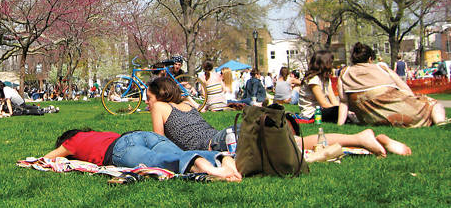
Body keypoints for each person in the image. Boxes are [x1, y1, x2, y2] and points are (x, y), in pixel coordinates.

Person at [146, 76, 411, 157]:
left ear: (158, 95)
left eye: (147, 97)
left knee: (295, 149)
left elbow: (160, 144)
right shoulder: (186, 105)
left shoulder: (160, 108)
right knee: (299, 145)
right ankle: (362, 140)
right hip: (228, 134)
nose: (147, 104)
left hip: (219, 145)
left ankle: (361, 141)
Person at [40, 128, 241, 181]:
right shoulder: (96, 134)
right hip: (141, 135)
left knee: (159, 162)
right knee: (177, 153)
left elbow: (47, 158)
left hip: (119, 150)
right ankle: (223, 158)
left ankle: (208, 169)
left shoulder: (71, 142)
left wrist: (63, 154)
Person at [337, 42, 446, 127]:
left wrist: (339, 125)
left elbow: (343, 102)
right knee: (433, 103)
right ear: (370, 59)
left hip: (371, 120)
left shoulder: (344, 73)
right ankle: (440, 122)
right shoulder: (381, 68)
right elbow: (407, 91)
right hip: (404, 116)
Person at [298, 51, 340, 122]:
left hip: (322, 110)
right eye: (331, 62)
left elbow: (334, 100)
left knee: (344, 109)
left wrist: (343, 110)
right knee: (340, 111)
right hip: (311, 114)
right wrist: (340, 110)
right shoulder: (313, 79)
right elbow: (323, 103)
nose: (332, 65)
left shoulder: (326, 79)